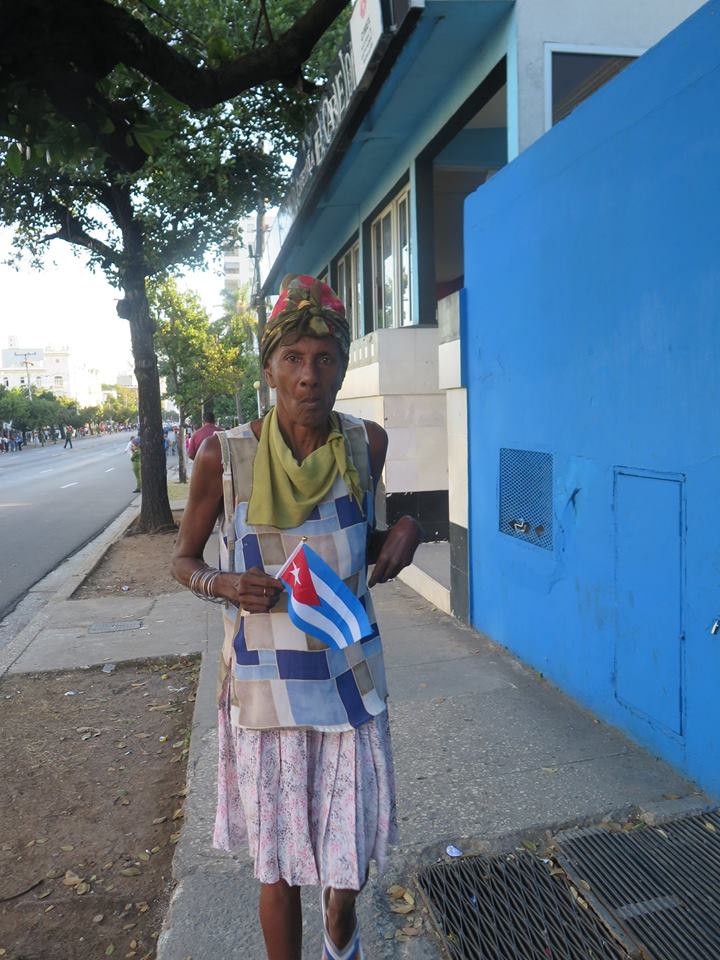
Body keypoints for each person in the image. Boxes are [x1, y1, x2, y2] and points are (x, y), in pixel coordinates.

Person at [171, 275, 423, 960]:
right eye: (294, 359)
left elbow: (354, 542)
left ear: (342, 366)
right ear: (270, 368)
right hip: (266, 690)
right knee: (277, 865)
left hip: (347, 677)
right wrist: (220, 581)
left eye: (325, 359)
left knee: (351, 860)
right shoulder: (224, 457)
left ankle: (341, 924)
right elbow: (182, 561)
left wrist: (405, 527)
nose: (309, 376)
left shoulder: (364, 444)